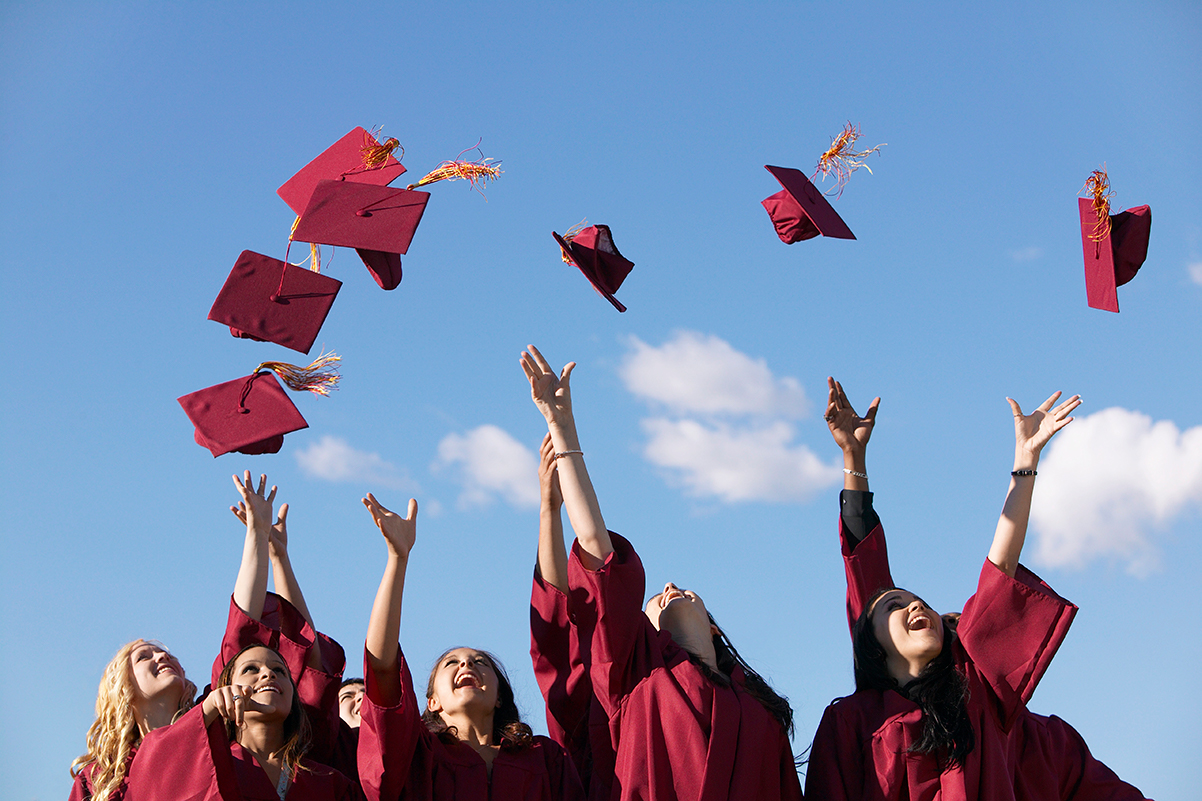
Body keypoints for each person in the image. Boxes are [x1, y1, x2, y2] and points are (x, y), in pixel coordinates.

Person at [809, 379, 1149, 800]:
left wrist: (1025, 463)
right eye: (898, 606)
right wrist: (853, 459)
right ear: (872, 645)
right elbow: (868, 579)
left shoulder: (978, 693)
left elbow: (1000, 567)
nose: (917, 605)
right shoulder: (855, 722)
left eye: (922, 603)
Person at [521, 345, 802, 801]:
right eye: (653, 599)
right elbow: (597, 550)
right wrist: (562, 428)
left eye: (684, 589)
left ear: (713, 626)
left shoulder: (760, 712)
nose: (668, 588)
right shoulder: (632, 676)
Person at [356, 492, 585, 801]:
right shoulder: (418, 756)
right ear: (432, 701)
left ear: (499, 697)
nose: (467, 665)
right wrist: (398, 559)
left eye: (480, 662)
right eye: (452, 663)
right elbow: (382, 669)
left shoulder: (544, 758)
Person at [125, 643, 358, 800]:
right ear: (227, 687)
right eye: (250, 669)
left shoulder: (330, 783)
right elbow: (152, 776)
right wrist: (208, 708)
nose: (268, 674)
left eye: (279, 670)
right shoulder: (211, 764)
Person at [529, 433, 612, 800]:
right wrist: (549, 507)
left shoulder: (752, 704)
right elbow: (558, 619)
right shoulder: (605, 705)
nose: (671, 588)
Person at [69, 640, 198, 801]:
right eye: (143, 657)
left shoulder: (213, 731)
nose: (162, 656)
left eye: (168, 654)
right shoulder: (98, 778)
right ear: (124, 687)